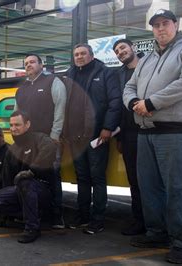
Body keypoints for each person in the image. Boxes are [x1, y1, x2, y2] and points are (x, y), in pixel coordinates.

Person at [123, 9, 182, 264]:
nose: (161, 28)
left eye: (165, 23)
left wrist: (152, 102)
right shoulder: (147, 59)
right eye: (156, 25)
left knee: (178, 190)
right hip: (146, 131)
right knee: (149, 188)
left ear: (175, 25)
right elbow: (129, 85)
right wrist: (134, 103)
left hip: (177, 131)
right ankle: (157, 233)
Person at [65, 43, 121, 234]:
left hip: (97, 135)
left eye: (83, 54)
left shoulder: (105, 73)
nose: (79, 57)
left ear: (91, 55)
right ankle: (82, 216)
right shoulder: (69, 74)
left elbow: (115, 102)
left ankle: (98, 220)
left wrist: (108, 128)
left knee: (97, 177)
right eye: (76, 54)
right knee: (81, 177)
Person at [0, 111, 57, 243]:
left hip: (42, 189)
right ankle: (29, 216)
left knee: (25, 182)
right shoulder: (11, 150)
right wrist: (5, 215)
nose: (13, 128)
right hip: (20, 190)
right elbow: (7, 180)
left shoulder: (40, 138)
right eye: (11, 125)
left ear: (27, 124)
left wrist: (32, 171)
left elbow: (50, 148)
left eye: (17, 124)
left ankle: (32, 228)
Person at [15, 54, 67, 229]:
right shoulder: (21, 89)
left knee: (51, 176)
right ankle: (30, 214)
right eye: (26, 63)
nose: (28, 65)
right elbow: (16, 116)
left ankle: (56, 216)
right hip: (27, 142)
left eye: (32, 62)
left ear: (41, 64)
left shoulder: (53, 81)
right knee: (27, 175)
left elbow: (60, 109)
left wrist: (55, 135)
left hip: (47, 139)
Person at [112, 39, 145, 236]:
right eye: (117, 51)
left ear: (133, 47)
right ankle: (139, 220)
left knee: (153, 181)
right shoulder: (118, 74)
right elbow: (118, 106)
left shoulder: (149, 65)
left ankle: (157, 223)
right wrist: (120, 138)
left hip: (151, 130)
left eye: (123, 48)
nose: (120, 52)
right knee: (134, 180)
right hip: (129, 134)